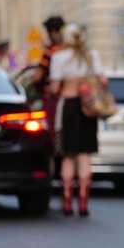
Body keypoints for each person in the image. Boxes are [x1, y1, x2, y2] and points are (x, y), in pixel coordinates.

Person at [48, 24, 106, 217]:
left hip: (69, 107)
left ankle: (66, 202)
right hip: (88, 107)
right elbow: (103, 81)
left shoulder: (59, 57)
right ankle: (83, 203)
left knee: (68, 155)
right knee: (85, 155)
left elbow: (55, 88)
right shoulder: (91, 55)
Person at [33, 16, 66, 147]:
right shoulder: (70, 50)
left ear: (52, 32)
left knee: (53, 132)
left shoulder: (51, 50)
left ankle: (55, 160)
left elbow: (37, 77)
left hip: (53, 97)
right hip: (71, 99)